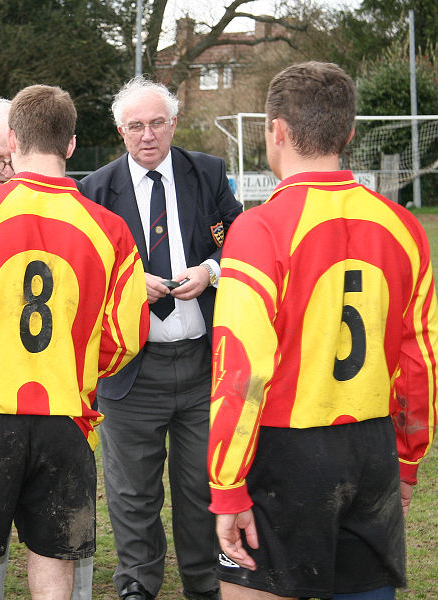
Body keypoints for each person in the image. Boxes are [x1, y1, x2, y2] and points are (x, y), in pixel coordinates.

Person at [207, 61, 438, 600]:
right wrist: (406, 457)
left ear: (277, 131)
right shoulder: (402, 226)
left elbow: (241, 369)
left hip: (284, 449)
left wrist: (227, 487)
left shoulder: (260, 227)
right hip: (372, 445)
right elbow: (421, 358)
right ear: (349, 134)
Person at [0, 84, 149, 600]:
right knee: (53, 570)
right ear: (71, 145)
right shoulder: (111, 229)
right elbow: (126, 337)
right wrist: (79, 362)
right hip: (66, 419)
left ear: (15, 140)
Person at [79, 76, 242, 600]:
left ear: (173, 124)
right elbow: (82, 272)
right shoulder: (94, 190)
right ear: (119, 131)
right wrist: (126, 285)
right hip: (130, 368)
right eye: (135, 126)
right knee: (132, 494)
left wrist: (212, 270)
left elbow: (242, 239)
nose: (146, 135)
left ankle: (204, 584)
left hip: (201, 366)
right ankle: (137, 585)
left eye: (156, 123)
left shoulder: (209, 173)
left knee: (200, 488)